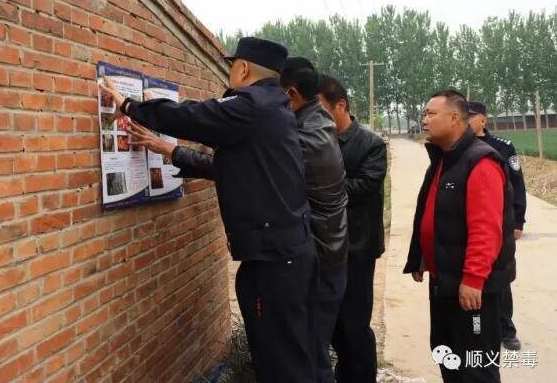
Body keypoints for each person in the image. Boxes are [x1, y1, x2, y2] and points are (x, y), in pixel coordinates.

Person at [102, 37, 319, 382]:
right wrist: (170, 150)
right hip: (286, 252)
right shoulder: (275, 108)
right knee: (291, 353)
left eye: (232, 66)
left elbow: (193, 117)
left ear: (243, 69)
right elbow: (233, 166)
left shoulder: (252, 106)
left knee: (282, 362)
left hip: (275, 261)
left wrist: (129, 105)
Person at [404, 90, 516, 383]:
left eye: (431, 114)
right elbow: (434, 213)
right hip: (445, 281)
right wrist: (421, 257)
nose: (424, 120)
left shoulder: (480, 162)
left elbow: (485, 229)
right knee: (448, 357)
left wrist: (474, 278)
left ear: (454, 118)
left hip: (471, 290)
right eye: (424, 114)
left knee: (475, 367)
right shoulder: (444, 159)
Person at [280, 58, 349, 383]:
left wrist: (174, 152)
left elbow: (258, 165)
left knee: (310, 356)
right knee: (313, 351)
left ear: (291, 94)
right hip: (329, 255)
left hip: (320, 262)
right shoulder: (318, 124)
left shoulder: (308, 138)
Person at [316, 75, 387, 383]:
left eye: (319, 108)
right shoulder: (316, 141)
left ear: (340, 105)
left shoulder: (370, 144)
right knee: (330, 324)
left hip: (357, 248)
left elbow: (364, 188)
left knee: (354, 325)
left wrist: (317, 182)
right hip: (322, 247)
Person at [468, 101, 526, 351]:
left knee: (500, 277)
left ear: (483, 119)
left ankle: (506, 329)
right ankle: (478, 329)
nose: (466, 121)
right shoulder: (458, 147)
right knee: (473, 278)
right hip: (471, 223)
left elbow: (518, 184)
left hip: (501, 222)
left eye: (470, 117)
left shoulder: (502, 147)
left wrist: (519, 220)